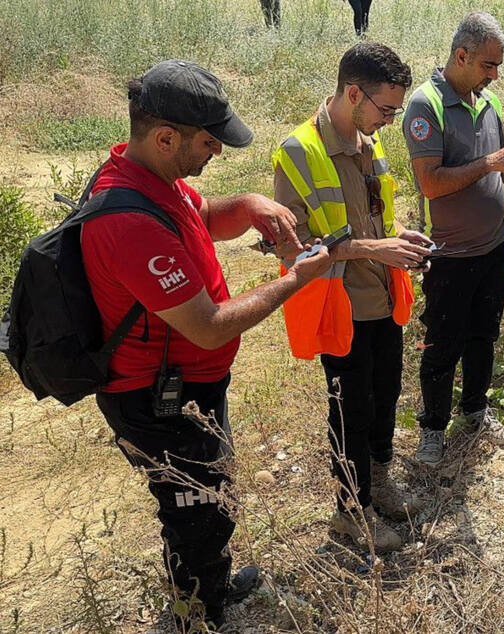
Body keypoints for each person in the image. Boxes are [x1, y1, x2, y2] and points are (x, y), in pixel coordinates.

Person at [81, 59, 334, 632]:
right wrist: (296, 278)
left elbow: (203, 217)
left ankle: (210, 582)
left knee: (211, 495)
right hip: (155, 401)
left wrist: (246, 205)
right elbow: (210, 325)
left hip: (187, 388)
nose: (216, 152)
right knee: (193, 510)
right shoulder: (128, 221)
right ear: (165, 137)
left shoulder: (154, 180)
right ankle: (198, 616)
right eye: (208, 141)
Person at [272, 42, 431, 553]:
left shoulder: (369, 142)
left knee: (385, 396)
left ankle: (379, 482)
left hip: (384, 296)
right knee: (350, 410)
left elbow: (373, 218)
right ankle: (351, 511)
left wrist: (401, 240)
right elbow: (294, 246)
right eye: (386, 108)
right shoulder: (297, 151)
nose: (390, 120)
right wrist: (376, 247)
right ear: (353, 92)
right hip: (340, 304)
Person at [402, 12, 504, 466]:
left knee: (485, 335)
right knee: (444, 343)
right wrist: (488, 163)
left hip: (493, 247)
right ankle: (431, 431)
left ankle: (476, 411)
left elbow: (497, 177)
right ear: (461, 56)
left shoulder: (490, 103)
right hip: (450, 252)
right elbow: (431, 184)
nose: (495, 75)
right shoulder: (425, 106)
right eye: (488, 65)